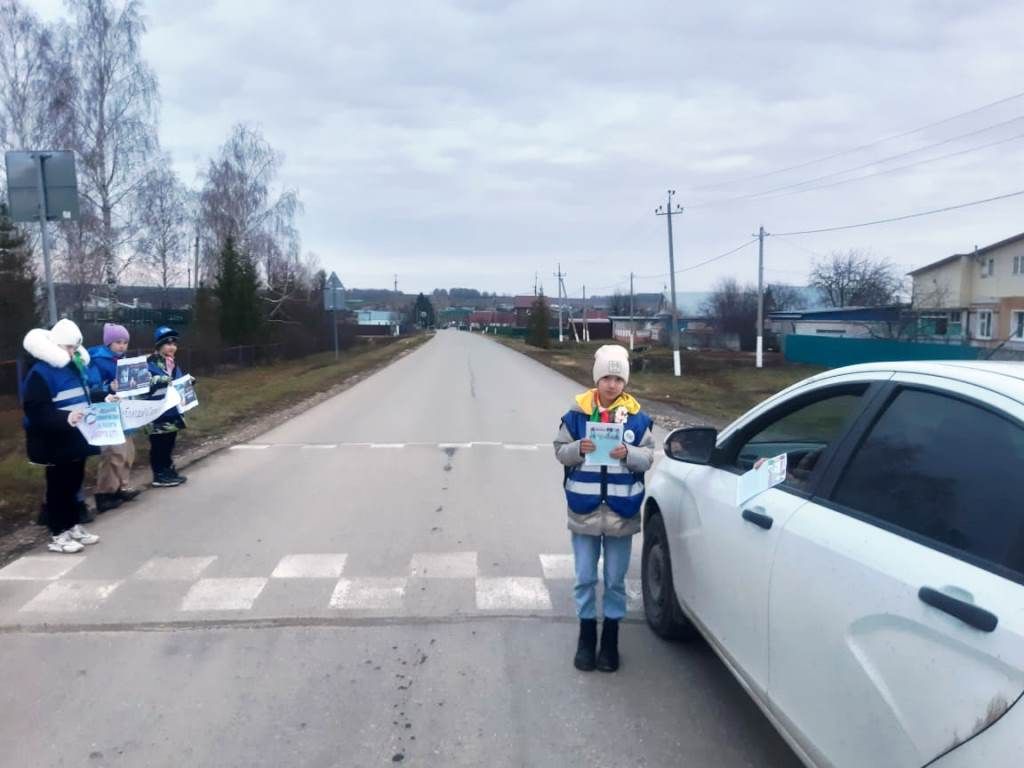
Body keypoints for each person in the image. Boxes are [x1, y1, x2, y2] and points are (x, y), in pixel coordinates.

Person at [553, 344, 655, 672]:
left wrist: (629, 453)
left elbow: (648, 457)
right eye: (606, 377)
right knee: (584, 576)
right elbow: (559, 451)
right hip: (583, 509)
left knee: (614, 579)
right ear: (597, 379)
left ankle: (610, 640)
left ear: (625, 382)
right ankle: (586, 636)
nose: (612, 384)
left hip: (621, 511)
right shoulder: (577, 415)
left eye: (618, 378)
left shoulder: (637, 420)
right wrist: (576, 449)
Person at [21, 319, 105, 553]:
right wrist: (63, 419)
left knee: (74, 483)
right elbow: (35, 408)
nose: (73, 353)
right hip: (53, 439)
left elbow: (83, 396)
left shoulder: (74, 367)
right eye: (69, 348)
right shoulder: (41, 373)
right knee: (59, 486)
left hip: (77, 435)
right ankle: (58, 533)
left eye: (75, 348)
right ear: (55, 346)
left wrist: (104, 398)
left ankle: (72, 525)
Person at [88, 323, 141, 512]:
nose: (122, 346)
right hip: (108, 414)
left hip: (125, 412)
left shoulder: (124, 360)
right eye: (118, 342)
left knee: (127, 452)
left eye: (125, 342)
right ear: (109, 342)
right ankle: (104, 493)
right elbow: (92, 387)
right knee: (112, 454)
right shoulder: (97, 360)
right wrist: (108, 388)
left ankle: (120, 487)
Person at [146, 326, 188, 488]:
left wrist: (187, 383)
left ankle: (168, 469)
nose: (172, 347)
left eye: (174, 344)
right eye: (168, 344)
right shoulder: (149, 363)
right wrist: (161, 381)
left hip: (172, 411)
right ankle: (159, 474)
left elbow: (178, 381)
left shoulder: (172, 364)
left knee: (169, 442)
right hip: (156, 412)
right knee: (159, 444)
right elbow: (144, 383)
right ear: (159, 346)